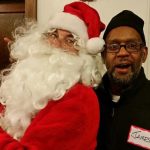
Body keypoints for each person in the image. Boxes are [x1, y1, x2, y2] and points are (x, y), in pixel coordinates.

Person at [0, 1, 105, 150]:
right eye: (53, 34)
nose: (56, 44)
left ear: (83, 54)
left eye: (70, 40)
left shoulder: (81, 99)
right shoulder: (27, 80)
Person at [95, 10, 150, 150]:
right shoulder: (88, 99)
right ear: (103, 55)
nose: (123, 53)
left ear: (144, 54)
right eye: (113, 47)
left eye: (132, 46)